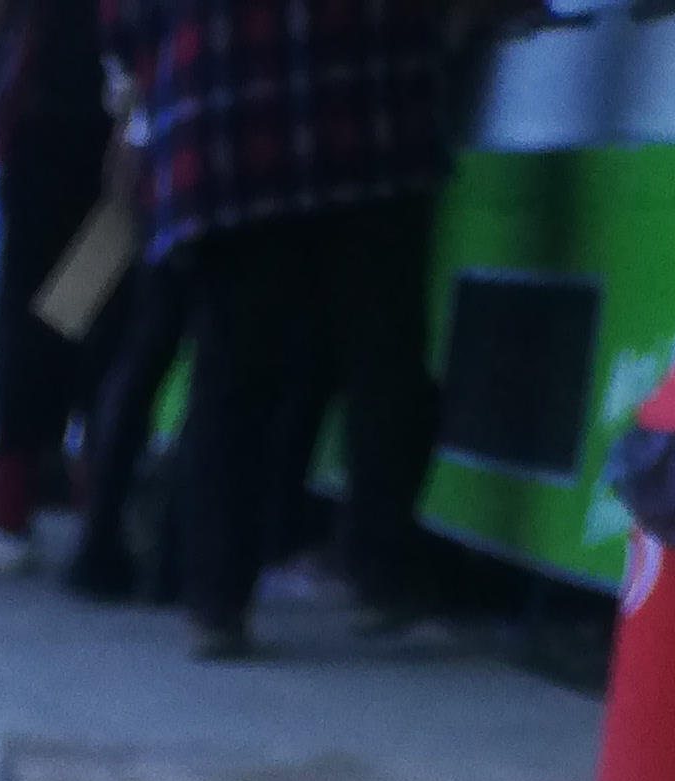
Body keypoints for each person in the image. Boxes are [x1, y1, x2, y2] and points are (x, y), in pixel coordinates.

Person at [101, 0, 454, 655]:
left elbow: (123, 23)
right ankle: (382, 569)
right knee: (386, 361)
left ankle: (215, 604)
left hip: (225, 134)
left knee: (230, 381)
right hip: (370, 122)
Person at [0, 0, 112, 564]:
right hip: (111, 140)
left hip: (42, 131)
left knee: (12, 324)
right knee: (88, 322)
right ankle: (98, 508)